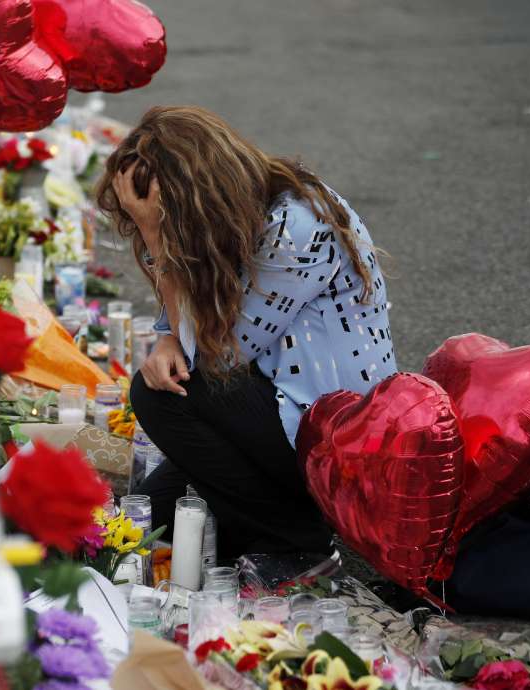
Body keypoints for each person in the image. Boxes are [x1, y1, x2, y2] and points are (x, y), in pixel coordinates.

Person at [95, 106, 396, 560]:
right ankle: (265, 522)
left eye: (163, 215)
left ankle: (300, 543)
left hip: (334, 440)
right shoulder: (247, 207)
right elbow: (198, 320)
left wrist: (157, 239)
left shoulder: (296, 226)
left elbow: (219, 355)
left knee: (160, 395)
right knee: (142, 520)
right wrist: (168, 338)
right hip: (280, 405)